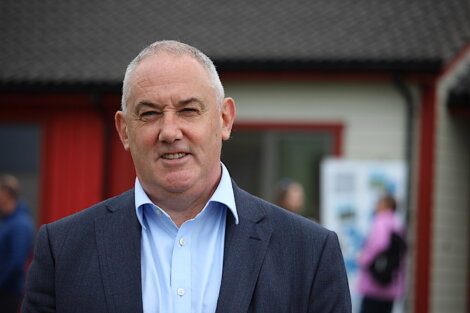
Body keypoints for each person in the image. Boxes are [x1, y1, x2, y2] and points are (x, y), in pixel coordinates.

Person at [22, 40, 351, 313]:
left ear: (224, 119)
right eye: (149, 113)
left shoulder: (310, 253)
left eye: (188, 110)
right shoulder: (62, 250)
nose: (169, 131)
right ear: (124, 130)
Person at [357, 195, 406, 313]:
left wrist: (364, 259)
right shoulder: (398, 223)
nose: (376, 205)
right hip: (391, 284)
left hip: (375, 285)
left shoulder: (381, 221)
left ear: (386, 205)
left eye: (379, 202)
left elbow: (379, 244)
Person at [0, 175, 34, 313]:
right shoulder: (7, 221)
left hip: (9, 293)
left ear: (7, 196)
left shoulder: (20, 224)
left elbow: (16, 262)